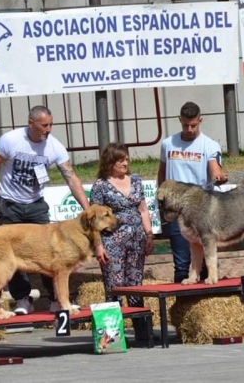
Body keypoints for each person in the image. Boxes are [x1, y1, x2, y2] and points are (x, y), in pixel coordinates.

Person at [0, 105, 89, 314]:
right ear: (31, 124)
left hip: (36, 204)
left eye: (51, 125)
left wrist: (87, 208)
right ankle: (22, 299)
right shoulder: (11, 140)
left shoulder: (54, 147)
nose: (48, 129)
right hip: (9, 203)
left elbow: (71, 177)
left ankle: (56, 300)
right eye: (44, 125)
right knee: (13, 254)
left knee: (50, 251)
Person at [157, 101, 228, 283]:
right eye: (185, 125)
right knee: (181, 264)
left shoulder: (210, 145)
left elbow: (214, 171)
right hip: (176, 208)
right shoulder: (167, 144)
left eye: (193, 125)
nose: (189, 129)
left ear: (200, 121)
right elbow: (162, 175)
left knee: (205, 264)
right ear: (180, 120)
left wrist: (219, 177)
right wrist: (162, 200)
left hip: (201, 210)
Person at [90, 142, 154, 341]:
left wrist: (149, 234)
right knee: (114, 286)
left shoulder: (135, 180)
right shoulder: (100, 186)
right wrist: (98, 246)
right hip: (112, 243)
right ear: (110, 163)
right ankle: (111, 337)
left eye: (126, 159)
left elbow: (143, 210)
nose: (125, 163)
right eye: (120, 160)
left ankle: (143, 335)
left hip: (137, 241)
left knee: (136, 285)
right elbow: (94, 219)